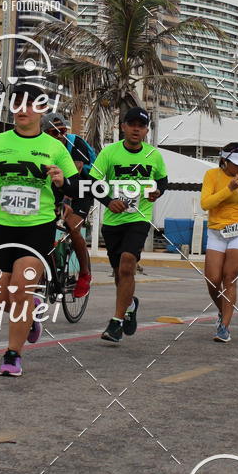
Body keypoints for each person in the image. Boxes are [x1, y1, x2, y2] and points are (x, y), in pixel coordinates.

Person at [0, 84, 80, 376]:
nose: (22, 109)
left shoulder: (55, 147)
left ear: (42, 110)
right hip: (0, 228)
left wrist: (60, 181)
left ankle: (12, 355)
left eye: (30, 104)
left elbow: (75, 187)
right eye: (17, 103)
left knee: (19, 290)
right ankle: (31, 311)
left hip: (37, 228)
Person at [89, 107, 168, 344]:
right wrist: (108, 201)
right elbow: (93, 181)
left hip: (139, 218)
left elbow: (162, 180)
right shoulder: (109, 153)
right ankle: (130, 304)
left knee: (127, 264)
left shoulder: (153, 155)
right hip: (113, 221)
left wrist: (157, 192)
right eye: (131, 124)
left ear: (145, 130)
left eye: (141, 126)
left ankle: (116, 322)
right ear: (123, 127)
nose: (136, 129)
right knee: (119, 274)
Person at [201, 143, 238, 342]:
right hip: (217, 231)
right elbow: (205, 203)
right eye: (236, 164)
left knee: (229, 277)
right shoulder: (211, 175)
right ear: (224, 161)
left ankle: (224, 326)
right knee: (212, 279)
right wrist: (228, 189)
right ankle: (223, 310)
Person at [42, 113, 94, 298]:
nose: (59, 137)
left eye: (62, 131)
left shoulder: (75, 143)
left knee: (72, 226)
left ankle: (85, 274)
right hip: (57, 188)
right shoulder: (42, 148)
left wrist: (64, 203)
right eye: (53, 133)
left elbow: (75, 174)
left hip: (82, 189)